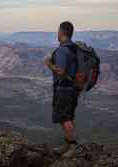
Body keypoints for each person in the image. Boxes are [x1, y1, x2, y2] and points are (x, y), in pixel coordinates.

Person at [44, 21, 80, 158]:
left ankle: (72, 147)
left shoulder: (62, 50)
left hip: (64, 89)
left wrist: (48, 64)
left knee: (65, 118)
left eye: (58, 30)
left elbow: (60, 71)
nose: (57, 33)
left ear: (62, 32)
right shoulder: (73, 48)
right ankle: (67, 144)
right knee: (66, 117)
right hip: (72, 89)